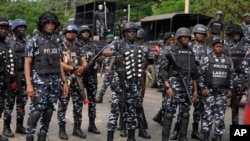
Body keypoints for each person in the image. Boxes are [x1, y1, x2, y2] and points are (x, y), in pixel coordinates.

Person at [24, 11, 69, 141]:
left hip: (54, 82)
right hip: (39, 82)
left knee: (49, 111)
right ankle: (30, 136)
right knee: (36, 112)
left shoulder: (56, 41)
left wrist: (64, 82)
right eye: (47, 23)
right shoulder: (33, 41)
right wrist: (28, 84)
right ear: (42, 24)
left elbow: (59, 63)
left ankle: (42, 135)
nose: (50, 25)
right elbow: (27, 63)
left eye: (52, 23)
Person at [102, 22, 145, 141]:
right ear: (125, 33)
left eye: (134, 32)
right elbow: (105, 52)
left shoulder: (139, 46)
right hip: (119, 83)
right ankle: (110, 137)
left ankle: (131, 137)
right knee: (115, 110)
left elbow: (142, 63)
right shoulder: (118, 44)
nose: (132, 33)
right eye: (129, 32)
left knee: (131, 111)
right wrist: (117, 54)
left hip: (133, 83)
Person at [160, 27, 198, 141]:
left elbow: (194, 73)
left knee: (185, 113)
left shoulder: (190, 51)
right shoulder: (169, 51)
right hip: (174, 84)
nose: (186, 39)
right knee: (169, 114)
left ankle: (182, 137)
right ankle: (165, 139)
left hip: (187, 85)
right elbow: (163, 70)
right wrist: (167, 87)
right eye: (184, 37)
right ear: (178, 38)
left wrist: (195, 90)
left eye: (188, 37)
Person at [57, 24, 87, 140]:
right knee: (63, 106)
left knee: (78, 105)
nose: (72, 34)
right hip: (65, 80)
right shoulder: (60, 46)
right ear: (65, 34)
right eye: (69, 32)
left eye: (74, 32)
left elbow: (84, 60)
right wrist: (73, 69)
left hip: (78, 80)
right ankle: (62, 129)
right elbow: (59, 63)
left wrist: (82, 68)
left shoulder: (79, 45)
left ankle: (77, 128)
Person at [199, 39, 234, 141]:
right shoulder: (207, 59)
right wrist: (203, 89)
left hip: (222, 92)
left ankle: (218, 136)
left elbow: (231, 76)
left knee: (220, 116)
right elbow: (200, 76)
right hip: (209, 92)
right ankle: (206, 136)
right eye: (217, 47)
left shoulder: (228, 60)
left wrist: (230, 90)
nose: (219, 48)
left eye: (221, 47)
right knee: (207, 115)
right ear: (213, 47)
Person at [3, 18, 28, 137]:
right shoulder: (8, 41)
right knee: (9, 103)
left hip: (23, 76)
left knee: (22, 102)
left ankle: (19, 126)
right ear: (14, 29)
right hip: (12, 77)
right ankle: (6, 127)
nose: (22, 29)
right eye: (19, 27)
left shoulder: (27, 42)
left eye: (23, 27)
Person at [189, 24, 211, 140]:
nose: (200, 36)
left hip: (202, 82)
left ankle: (196, 131)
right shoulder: (189, 46)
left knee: (200, 108)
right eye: (199, 34)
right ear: (195, 34)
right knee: (184, 107)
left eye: (202, 34)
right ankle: (178, 131)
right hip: (188, 81)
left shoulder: (208, 49)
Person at [78, 25, 101, 135]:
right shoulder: (76, 45)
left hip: (92, 75)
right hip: (80, 76)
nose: (86, 33)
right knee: (78, 102)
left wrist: (100, 58)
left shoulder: (93, 45)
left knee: (92, 101)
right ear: (80, 33)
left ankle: (92, 124)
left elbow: (100, 58)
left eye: (87, 31)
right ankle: (77, 126)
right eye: (84, 31)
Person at [224, 24, 246, 125]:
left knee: (236, 103)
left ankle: (235, 124)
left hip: (240, 78)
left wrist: (246, 81)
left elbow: (247, 64)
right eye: (235, 33)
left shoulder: (244, 48)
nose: (237, 35)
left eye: (239, 34)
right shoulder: (224, 47)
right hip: (225, 77)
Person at [153, 32, 175, 127]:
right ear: (166, 41)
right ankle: (163, 118)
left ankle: (159, 116)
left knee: (168, 101)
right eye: (171, 40)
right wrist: (164, 82)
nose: (172, 42)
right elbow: (162, 68)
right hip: (164, 79)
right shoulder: (164, 51)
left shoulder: (173, 49)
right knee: (168, 101)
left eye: (173, 40)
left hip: (171, 79)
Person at [136, 28, 151, 139]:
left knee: (138, 102)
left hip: (140, 75)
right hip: (131, 75)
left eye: (140, 39)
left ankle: (142, 125)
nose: (139, 41)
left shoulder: (144, 48)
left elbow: (144, 64)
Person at [0, 17, 13, 141]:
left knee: (1, 106)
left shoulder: (7, 43)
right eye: (0, 28)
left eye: (5, 28)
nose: (3, 30)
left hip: (5, 81)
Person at [96, 34, 115, 103]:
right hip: (108, 67)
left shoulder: (112, 46)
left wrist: (110, 67)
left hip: (111, 68)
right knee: (112, 83)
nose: (106, 40)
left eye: (108, 38)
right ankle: (114, 98)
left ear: (111, 39)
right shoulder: (108, 46)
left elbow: (113, 57)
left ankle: (100, 97)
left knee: (106, 83)